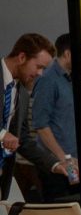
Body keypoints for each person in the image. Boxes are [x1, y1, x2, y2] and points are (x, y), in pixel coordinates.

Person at [2, 33, 70, 200]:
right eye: (38, 66)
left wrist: (54, 164)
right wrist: (3, 135)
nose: (40, 73)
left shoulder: (23, 93)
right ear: (22, 57)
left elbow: (23, 140)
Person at [31, 33, 79, 201]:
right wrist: (63, 158)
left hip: (73, 161)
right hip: (56, 162)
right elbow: (40, 125)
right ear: (68, 54)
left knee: (78, 207)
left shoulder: (71, 78)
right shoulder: (48, 79)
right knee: (60, 210)